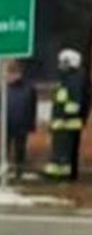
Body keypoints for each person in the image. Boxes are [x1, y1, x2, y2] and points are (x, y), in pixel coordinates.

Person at [46, 48, 87, 183]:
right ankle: (59, 175)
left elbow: (74, 104)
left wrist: (62, 118)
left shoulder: (74, 80)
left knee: (64, 152)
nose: (60, 65)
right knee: (63, 151)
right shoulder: (68, 79)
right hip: (63, 123)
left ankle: (61, 176)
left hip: (66, 124)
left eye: (63, 62)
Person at [3, 60, 37, 181]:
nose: (8, 76)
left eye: (12, 73)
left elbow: (32, 107)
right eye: (8, 73)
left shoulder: (29, 88)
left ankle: (19, 171)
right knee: (3, 149)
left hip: (22, 125)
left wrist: (31, 124)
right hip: (6, 125)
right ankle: (3, 169)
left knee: (20, 150)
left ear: (18, 74)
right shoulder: (3, 88)